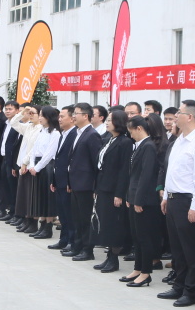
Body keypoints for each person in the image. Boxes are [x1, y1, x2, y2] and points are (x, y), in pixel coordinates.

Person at [158, 101, 195, 307]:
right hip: (173, 199)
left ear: (189, 117)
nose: (175, 116)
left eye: (179, 112)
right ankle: (178, 285)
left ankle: (191, 291)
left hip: (188, 201)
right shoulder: (179, 140)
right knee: (177, 248)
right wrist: (166, 196)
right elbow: (172, 172)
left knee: (192, 249)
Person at [121, 115, 164, 287]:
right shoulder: (140, 146)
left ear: (139, 128)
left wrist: (138, 200)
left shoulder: (148, 146)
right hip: (134, 196)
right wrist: (129, 197)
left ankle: (146, 272)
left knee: (144, 237)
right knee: (136, 236)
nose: (130, 135)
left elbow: (146, 176)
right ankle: (137, 268)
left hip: (145, 200)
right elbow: (133, 175)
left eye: (131, 131)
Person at [93, 109, 132, 273]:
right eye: (107, 120)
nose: (107, 123)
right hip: (103, 187)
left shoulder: (125, 142)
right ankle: (109, 256)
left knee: (114, 225)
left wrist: (119, 194)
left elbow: (124, 170)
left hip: (114, 190)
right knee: (106, 223)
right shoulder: (109, 139)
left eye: (110, 120)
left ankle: (114, 259)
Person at [67, 103, 103, 261]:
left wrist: (95, 186)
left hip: (86, 184)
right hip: (76, 183)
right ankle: (77, 246)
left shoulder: (92, 135)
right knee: (77, 218)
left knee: (86, 219)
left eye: (76, 113)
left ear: (86, 116)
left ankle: (87, 250)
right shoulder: (78, 133)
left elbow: (96, 163)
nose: (73, 116)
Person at [24, 106, 61, 238]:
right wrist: (32, 165)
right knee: (40, 197)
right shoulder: (42, 131)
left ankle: (48, 226)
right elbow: (34, 150)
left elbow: (49, 154)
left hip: (48, 166)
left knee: (48, 197)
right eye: (39, 115)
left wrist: (37, 167)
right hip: (37, 165)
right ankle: (42, 224)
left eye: (42, 115)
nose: (39, 118)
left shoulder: (55, 133)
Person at [49, 109, 79, 252]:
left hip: (68, 182)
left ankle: (72, 241)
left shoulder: (74, 134)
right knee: (62, 213)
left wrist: (69, 181)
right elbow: (58, 159)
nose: (59, 119)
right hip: (59, 180)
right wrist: (54, 180)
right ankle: (64, 239)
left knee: (69, 214)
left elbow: (71, 161)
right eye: (59, 116)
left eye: (62, 116)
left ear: (72, 118)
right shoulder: (63, 134)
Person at [10, 105, 42, 231]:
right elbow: (13, 123)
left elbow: (34, 149)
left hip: (30, 165)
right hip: (22, 164)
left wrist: (25, 162)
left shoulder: (41, 129)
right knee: (23, 195)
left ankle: (33, 223)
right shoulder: (28, 126)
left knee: (31, 196)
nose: (30, 115)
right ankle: (26, 221)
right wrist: (22, 112)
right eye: (29, 113)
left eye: (33, 113)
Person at [0, 101, 20, 220]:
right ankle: (8, 210)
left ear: (17, 111)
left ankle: (15, 213)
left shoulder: (18, 125)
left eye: (10, 109)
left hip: (12, 160)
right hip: (3, 158)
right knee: (5, 186)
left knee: (13, 187)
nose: (7, 111)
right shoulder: (6, 123)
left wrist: (14, 164)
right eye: (6, 109)